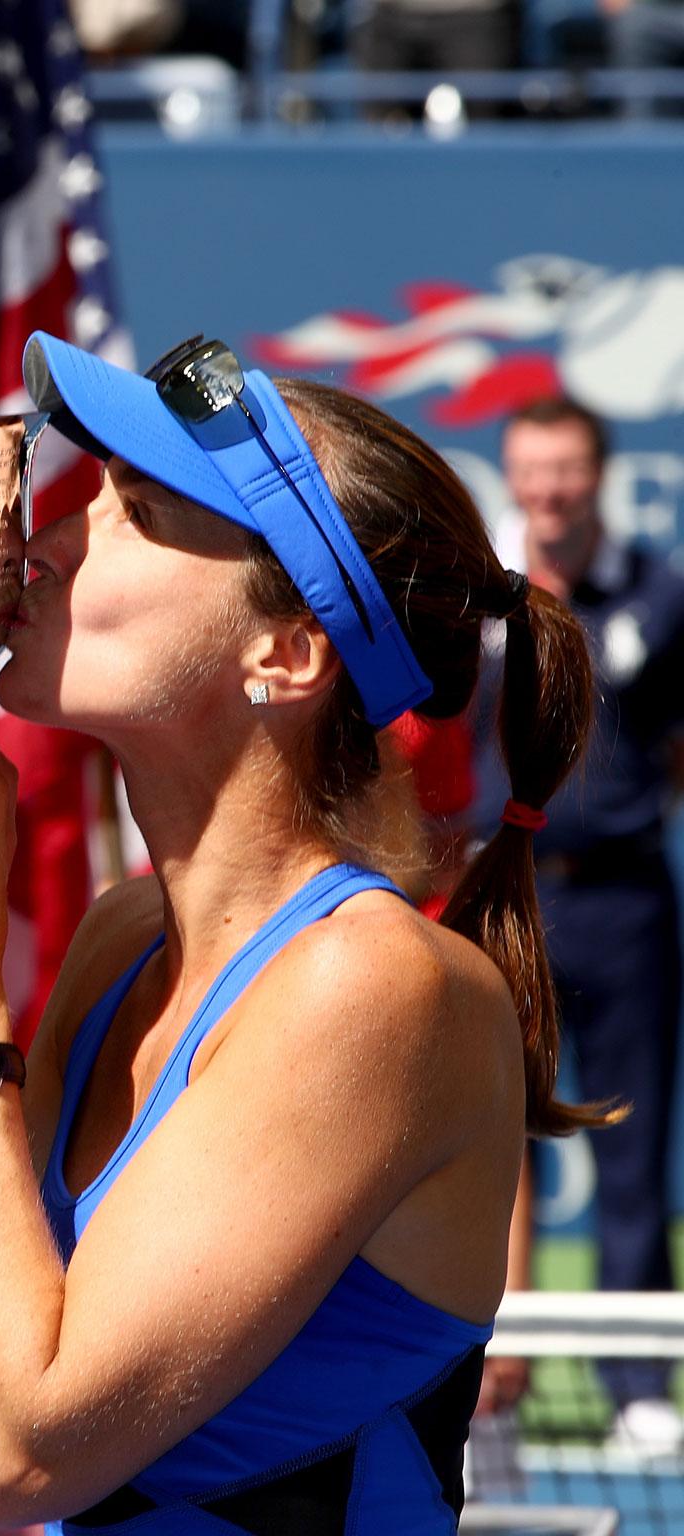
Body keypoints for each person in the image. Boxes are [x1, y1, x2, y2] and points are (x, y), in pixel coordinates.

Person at [0, 332, 603, 1529]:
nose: (43, 545)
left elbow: (25, 1455)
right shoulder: (121, 941)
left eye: (138, 512)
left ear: (287, 652)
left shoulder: (373, 989)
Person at [472, 395, 684, 1452]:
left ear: (596, 476)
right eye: (530, 468)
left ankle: (636, 1381)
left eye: (565, 469)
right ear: (509, 476)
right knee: (480, 1132)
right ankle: (482, 1379)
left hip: (621, 899)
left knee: (632, 1136)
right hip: (495, 891)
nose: (548, 489)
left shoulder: (659, 592)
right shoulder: (474, 593)